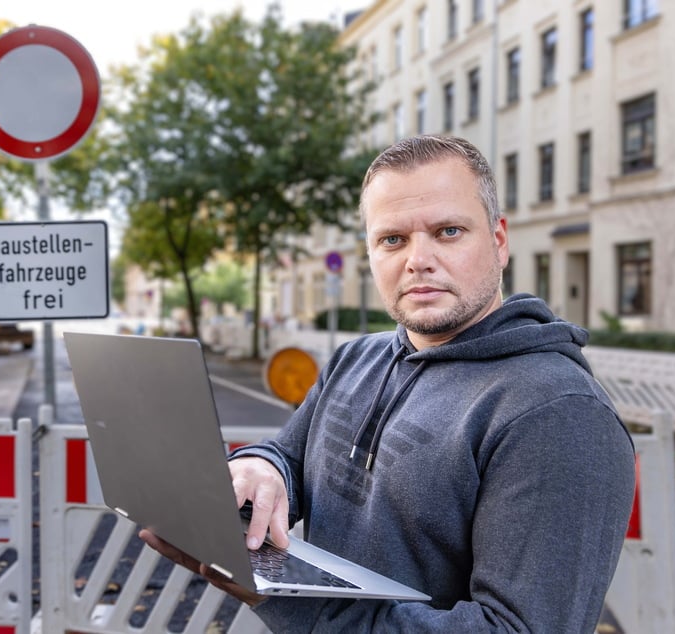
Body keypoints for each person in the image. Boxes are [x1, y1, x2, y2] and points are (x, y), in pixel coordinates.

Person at [141, 134, 636, 632]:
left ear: (499, 241)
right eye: (392, 239)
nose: (418, 259)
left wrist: (289, 603)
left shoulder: (558, 412)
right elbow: (289, 456)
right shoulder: (356, 359)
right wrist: (260, 466)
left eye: (448, 231)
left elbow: (515, 628)